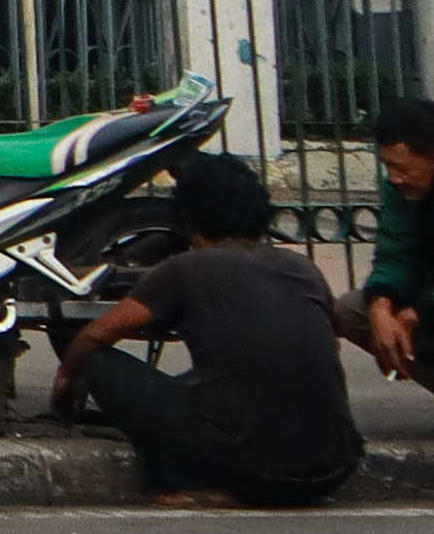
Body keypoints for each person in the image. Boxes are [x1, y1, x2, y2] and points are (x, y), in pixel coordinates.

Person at [49, 154, 361, 507]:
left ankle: (188, 484)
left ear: (188, 217)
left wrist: (66, 380)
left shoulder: (187, 268)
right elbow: (328, 329)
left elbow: (96, 335)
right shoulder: (302, 268)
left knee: (97, 362)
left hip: (257, 473)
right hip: (334, 468)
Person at [348, 94, 434, 390]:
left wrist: (420, 311)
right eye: (388, 167)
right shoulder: (399, 192)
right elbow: (395, 254)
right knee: (351, 311)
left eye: (404, 169)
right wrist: (381, 308)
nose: (394, 178)